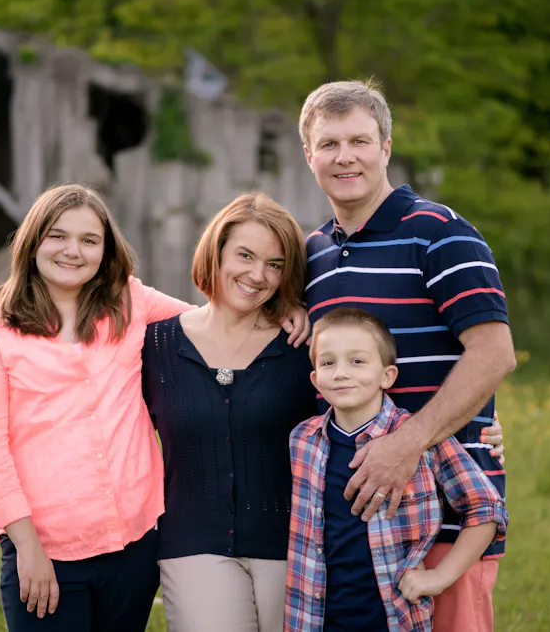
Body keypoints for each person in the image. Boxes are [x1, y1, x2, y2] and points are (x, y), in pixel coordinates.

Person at [0, 184, 309, 632]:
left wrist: (280, 311)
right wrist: (26, 546)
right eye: (57, 236)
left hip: (133, 546)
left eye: (89, 240)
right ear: (32, 241)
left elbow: (208, 324)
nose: (73, 251)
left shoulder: (129, 303)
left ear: (105, 250)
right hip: (46, 550)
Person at [299, 79, 514, 631]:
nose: (344, 157)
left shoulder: (439, 234)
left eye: (359, 141)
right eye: (328, 144)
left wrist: (409, 443)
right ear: (309, 155)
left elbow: (493, 355)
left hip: (441, 523)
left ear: (386, 148)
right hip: (346, 531)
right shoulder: (313, 255)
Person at [142, 193, 317, 632]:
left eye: (275, 264)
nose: (258, 275)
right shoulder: (157, 346)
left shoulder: (302, 348)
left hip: (293, 546)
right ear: (215, 252)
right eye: (245, 255)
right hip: (193, 543)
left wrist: (482, 430)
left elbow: (363, 409)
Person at [285, 307, 507, 632]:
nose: (341, 373)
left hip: (394, 618)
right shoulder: (302, 441)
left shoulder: (416, 439)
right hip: (313, 617)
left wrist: (439, 577)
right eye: (328, 362)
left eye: (357, 361)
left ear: (387, 375)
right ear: (315, 379)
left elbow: (486, 508)